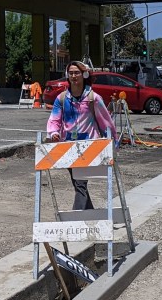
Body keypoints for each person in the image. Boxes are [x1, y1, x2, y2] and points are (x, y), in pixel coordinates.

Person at [45, 61, 116, 209]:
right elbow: (54, 119)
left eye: (76, 72)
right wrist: (54, 133)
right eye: (70, 73)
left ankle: (75, 218)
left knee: (80, 183)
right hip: (68, 147)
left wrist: (112, 143)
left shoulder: (93, 98)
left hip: (88, 147)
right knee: (78, 182)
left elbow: (106, 122)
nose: (73, 76)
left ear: (84, 74)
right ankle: (90, 213)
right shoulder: (62, 99)